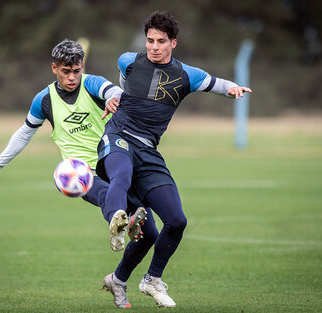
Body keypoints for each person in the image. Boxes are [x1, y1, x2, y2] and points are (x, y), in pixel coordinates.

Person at [98, 11, 252, 308]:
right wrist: (113, 98)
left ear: (173, 43)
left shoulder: (186, 75)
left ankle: (151, 279)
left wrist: (233, 89)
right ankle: (116, 223)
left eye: (161, 41)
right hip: (118, 135)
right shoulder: (128, 60)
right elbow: (122, 86)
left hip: (149, 151)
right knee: (121, 175)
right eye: (150, 41)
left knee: (177, 221)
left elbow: (217, 84)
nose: (154, 46)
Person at [0, 39, 147, 253]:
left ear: (82, 66)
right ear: (54, 68)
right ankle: (120, 223)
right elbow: (24, 134)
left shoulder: (91, 83)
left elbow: (113, 91)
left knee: (149, 231)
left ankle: (124, 269)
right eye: (66, 71)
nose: (72, 77)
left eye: (76, 71)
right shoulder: (44, 100)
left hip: (113, 160)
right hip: (80, 172)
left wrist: (114, 98)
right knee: (104, 193)